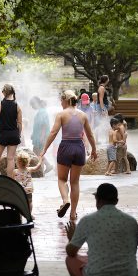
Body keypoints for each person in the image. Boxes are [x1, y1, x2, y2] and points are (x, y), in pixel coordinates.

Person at [64, 183, 138, 276]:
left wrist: (71, 238)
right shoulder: (131, 221)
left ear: (97, 200)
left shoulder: (88, 220)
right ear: (116, 201)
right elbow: (132, 249)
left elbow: (71, 252)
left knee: (70, 260)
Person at [40, 90, 97, 221]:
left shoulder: (61, 114)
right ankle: (73, 213)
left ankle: (65, 200)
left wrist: (44, 149)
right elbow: (90, 135)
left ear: (66, 100)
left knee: (61, 179)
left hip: (66, 146)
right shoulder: (83, 115)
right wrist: (94, 150)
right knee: (75, 182)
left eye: (61, 100)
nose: (60, 103)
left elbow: (53, 133)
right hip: (79, 147)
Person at [0, 84, 22, 177]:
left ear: (3, 92)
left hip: (2, 134)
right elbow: (20, 124)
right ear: (12, 92)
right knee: (11, 158)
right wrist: (18, 134)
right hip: (13, 134)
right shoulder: (17, 106)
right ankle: (10, 180)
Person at [30, 96, 53, 174]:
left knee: (38, 154)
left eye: (32, 105)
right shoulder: (40, 111)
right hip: (38, 137)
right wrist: (33, 134)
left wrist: (42, 137)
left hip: (41, 137)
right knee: (37, 153)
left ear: (35, 103)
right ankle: (44, 167)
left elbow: (44, 125)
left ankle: (43, 169)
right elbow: (37, 125)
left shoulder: (42, 112)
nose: (32, 107)